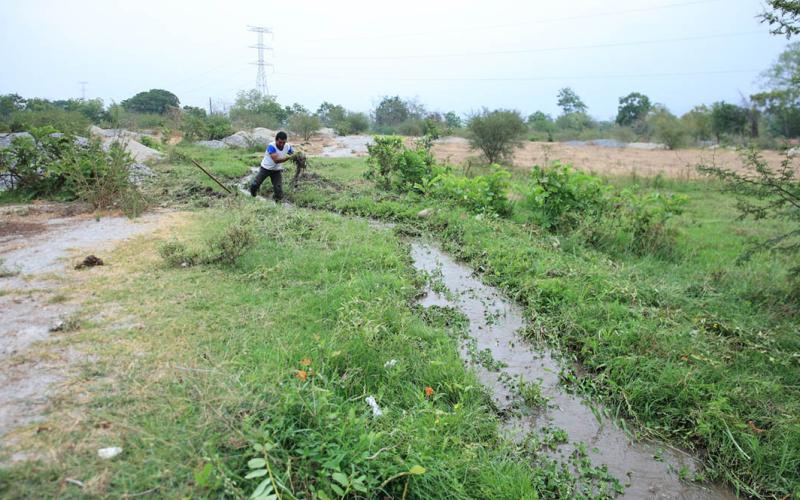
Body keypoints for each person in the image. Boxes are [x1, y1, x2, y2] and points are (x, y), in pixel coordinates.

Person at [249, 131, 294, 201]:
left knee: (278, 189)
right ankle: (252, 195)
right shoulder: (271, 146)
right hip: (265, 169)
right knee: (255, 184)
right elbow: (276, 160)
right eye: (280, 142)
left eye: (283, 142)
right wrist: (288, 157)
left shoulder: (288, 146)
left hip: (276, 170)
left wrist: (297, 156)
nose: (282, 144)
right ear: (276, 140)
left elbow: (293, 153)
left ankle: (278, 205)